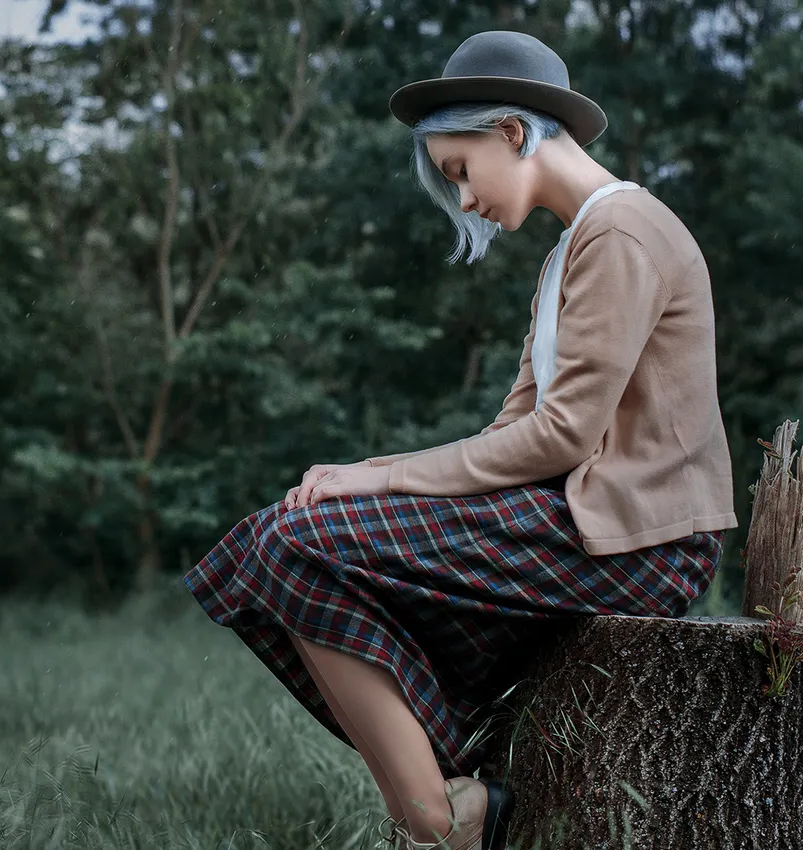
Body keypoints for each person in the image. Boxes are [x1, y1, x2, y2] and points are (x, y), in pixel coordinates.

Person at [182, 30, 737, 850]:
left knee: (296, 544)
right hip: (578, 520)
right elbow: (514, 428)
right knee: (278, 543)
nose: (466, 200)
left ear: (511, 132)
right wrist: (376, 474)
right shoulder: (570, 253)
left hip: (642, 539)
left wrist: (381, 478)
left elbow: (559, 437)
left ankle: (440, 824)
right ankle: (447, 796)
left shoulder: (623, 233)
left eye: (460, 171)